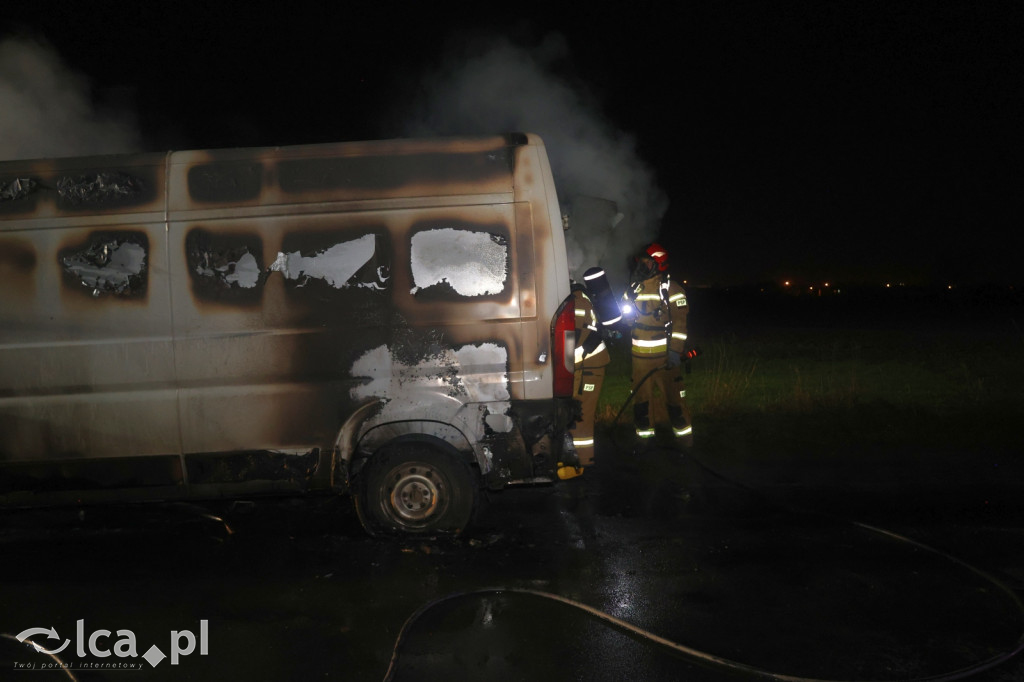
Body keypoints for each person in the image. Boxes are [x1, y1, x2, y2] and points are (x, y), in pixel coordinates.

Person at [622, 243, 692, 446]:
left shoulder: (673, 289)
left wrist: (675, 352)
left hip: (665, 359)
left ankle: (685, 443)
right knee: (641, 403)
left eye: (646, 262)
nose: (642, 266)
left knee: (675, 401)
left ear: (658, 263)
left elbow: (680, 324)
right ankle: (645, 443)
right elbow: (626, 318)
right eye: (641, 262)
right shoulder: (634, 289)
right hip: (639, 359)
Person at [560, 280, 610, 479]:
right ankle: (577, 459)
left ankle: (582, 462)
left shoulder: (578, 301)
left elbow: (575, 337)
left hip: (590, 365)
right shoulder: (578, 298)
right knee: (577, 411)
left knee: (582, 413)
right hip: (584, 363)